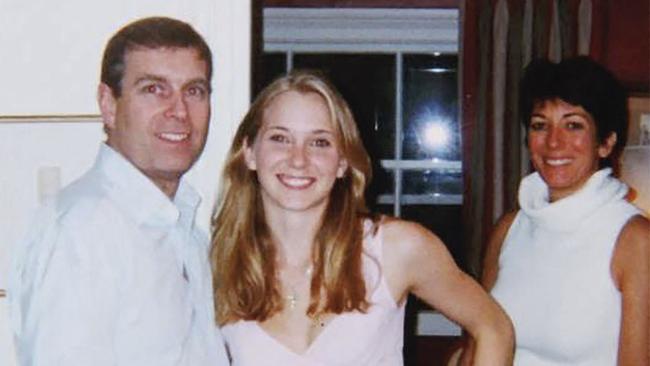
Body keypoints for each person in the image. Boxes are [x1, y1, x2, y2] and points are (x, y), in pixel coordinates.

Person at [210, 70, 514, 365]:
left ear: (342, 161)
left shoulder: (395, 248)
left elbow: (493, 328)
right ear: (249, 152)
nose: (298, 159)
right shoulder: (217, 263)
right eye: (280, 138)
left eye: (319, 142)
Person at [8, 17, 229, 365]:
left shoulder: (185, 233)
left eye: (194, 91)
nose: (179, 111)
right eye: (154, 89)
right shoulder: (84, 231)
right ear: (109, 104)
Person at [475, 57, 650, 365]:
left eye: (573, 125)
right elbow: (478, 343)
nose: (554, 142)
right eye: (540, 125)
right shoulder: (509, 228)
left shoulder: (635, 240)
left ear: (606, 143)